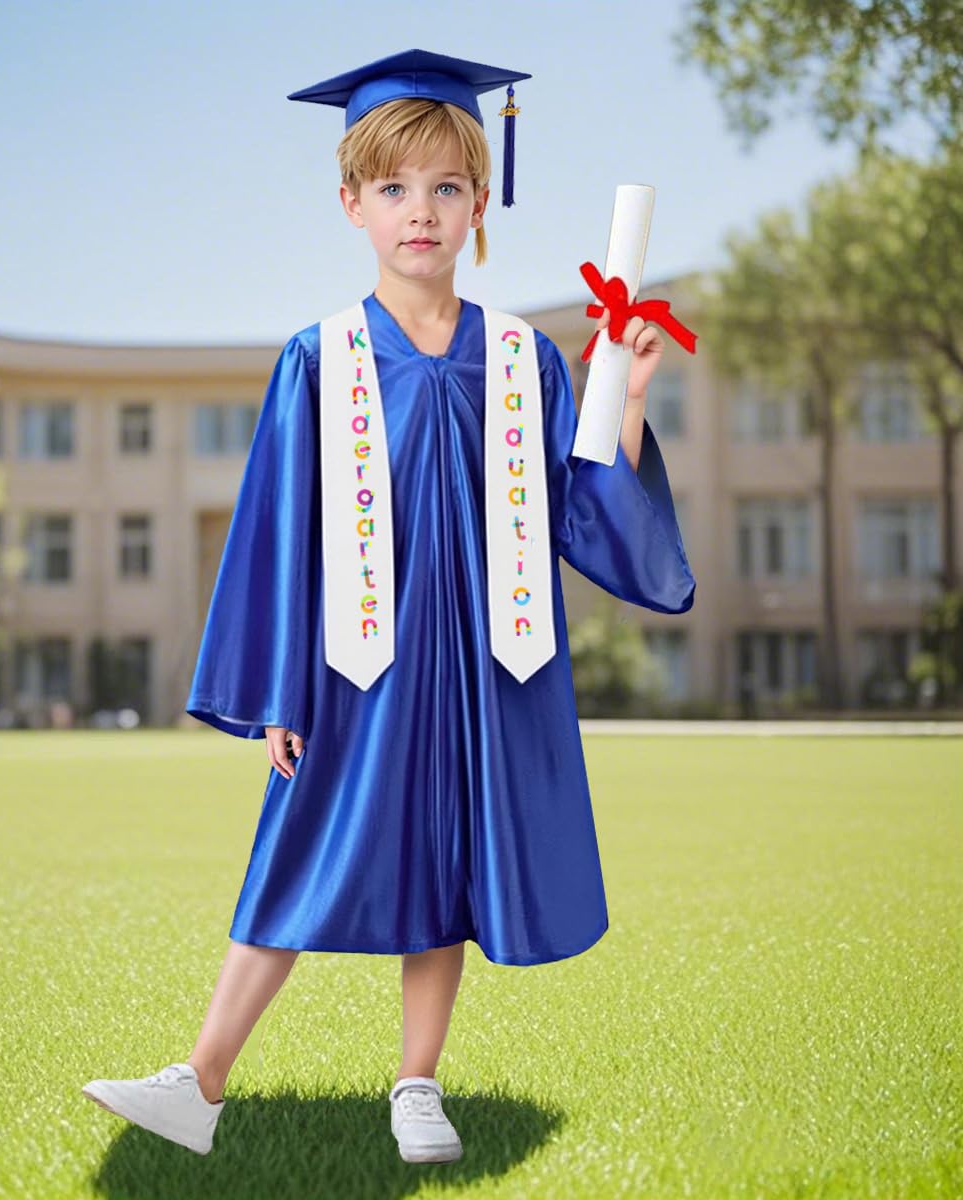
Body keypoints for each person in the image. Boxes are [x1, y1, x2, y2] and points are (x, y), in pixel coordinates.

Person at [82, 48, 696, 1164]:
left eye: (448, 187)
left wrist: (632, 399)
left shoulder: (523, 358)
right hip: (353, 658)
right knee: (296, 848)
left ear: (480, 202)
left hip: (484, 655)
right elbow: (277, 532)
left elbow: (582, 508)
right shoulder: (316, 359)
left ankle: (417, 1085)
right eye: (396, 188)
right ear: (352, 202)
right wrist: (276, 689)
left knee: (448, 861)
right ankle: (199, 1081)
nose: (423, 211)